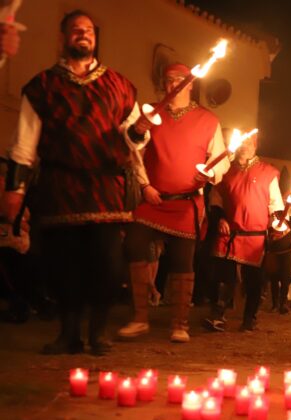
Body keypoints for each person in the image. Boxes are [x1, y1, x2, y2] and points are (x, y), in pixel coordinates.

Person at [2, 10, 149, 354]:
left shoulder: (121, 86)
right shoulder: (42, 86)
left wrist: (139, 133)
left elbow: (134, 137)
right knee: (62, 266)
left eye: (88, 31)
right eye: (75, 30)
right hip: (60, 186)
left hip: (105, 189)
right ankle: (69, 334)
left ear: (95, 38)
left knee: (109, 266)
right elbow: (24, 143)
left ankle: (97, 333)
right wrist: (14, 188)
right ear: (63, 38)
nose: (82, 35)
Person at [118, 62, 229, 343]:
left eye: (179, 80)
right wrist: (144, 185)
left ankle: (179, 324)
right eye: (168, 80)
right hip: (154, 199)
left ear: (191, 84)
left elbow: (222, 159)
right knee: (133, 244)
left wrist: (210, 174)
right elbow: (135, 150)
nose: (173, 85)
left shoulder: (209, 120)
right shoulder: (151, 113)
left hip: (186, 203)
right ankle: (139, 318)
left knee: (182, 260)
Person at [203, 133, 283, 332]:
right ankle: (218, 316)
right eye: (243, 142)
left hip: (254, 236)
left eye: (250, 143)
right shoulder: (225, 170)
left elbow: (275, 204)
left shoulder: (268, 172)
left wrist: (276, 223)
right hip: (229, 233)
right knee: (223, 277)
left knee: (254, 281)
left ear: (255, 147)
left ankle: (249, 319)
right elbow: (215, 199)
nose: (245, 146)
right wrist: (220, 217)